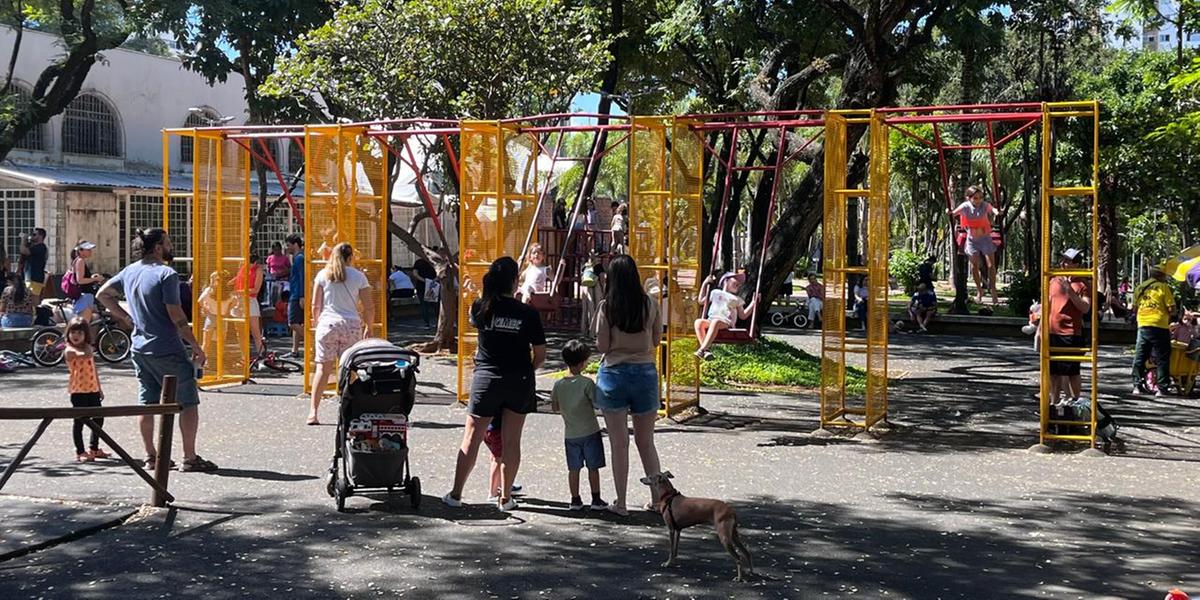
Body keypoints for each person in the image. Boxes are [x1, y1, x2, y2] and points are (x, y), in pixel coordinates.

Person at [97, 228, 216, 472]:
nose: (172, 247)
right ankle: (190, 458)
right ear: (159, 248)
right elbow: (176, 315)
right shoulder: (166, 274)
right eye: (169, 243)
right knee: (188, 402)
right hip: (167, 348)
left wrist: (127, 318)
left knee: (147, 402)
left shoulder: (130, 271)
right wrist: (195, 345)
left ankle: (151, 456)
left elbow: (103, 294)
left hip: (139, 348)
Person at [444, 256, 545, 511]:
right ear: (514, 281)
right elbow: (540, 355)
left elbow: (476, 315)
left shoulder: (480, 307)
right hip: (518, 378)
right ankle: (505, 497)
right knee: (512, 442)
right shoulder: (528, 313)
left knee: (471, 438)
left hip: (486, 377)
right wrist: (526, 371)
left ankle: (456, 494)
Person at [595, 254, 663, 516]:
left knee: (619, 443)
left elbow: (602, 346)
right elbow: (656, 340)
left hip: (613, 374)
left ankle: (621, 502)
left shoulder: (607, 307)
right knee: (646, 442)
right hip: (645, 374)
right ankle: (659, 500)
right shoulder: (650, 304)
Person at [308, 242, 374, 425]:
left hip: (327, 324)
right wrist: (369, 326)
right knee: (351, 369)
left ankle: (313, 412)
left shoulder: (322, 275)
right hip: (351, 325)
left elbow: (315, 305)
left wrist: (317, 321)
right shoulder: (359, 276)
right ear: (350, 257)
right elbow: (368, 306)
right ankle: (351, 411)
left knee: (322, 369)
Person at [552, 339, 608, 511]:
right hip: (590, 431)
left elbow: (555, 407)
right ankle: (596, 499)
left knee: (574, 469)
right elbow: (597, 403)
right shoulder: (586, 383)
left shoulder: (558, 384)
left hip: (570, 434)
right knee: (593, 467)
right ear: (583, 362)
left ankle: (575, 500)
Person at [1046, 249, 1091, 406]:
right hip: (1053, 331)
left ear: (1076, 264)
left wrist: (1070, 291)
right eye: (1062, 260)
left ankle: (1075, 401)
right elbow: (1047, 304)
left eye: (1067, 261)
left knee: (1071, 370)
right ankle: (1054, 402)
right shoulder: (1053, 280)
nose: (1062, 264)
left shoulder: (1083, 283)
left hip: (1071, 332)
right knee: (1054, 371)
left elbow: (1085, 308)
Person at [64, 317, 110, 463]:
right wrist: (89, 350)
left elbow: (94, 369)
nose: (75, 336)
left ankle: (94, 447)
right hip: (78, 392)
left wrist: (99, 388)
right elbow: (83, 355)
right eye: (72, 332)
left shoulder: (87, 348)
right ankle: (80, 451)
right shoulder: (69, 350)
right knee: (79, 422)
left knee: (98, 418)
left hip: (92, 389)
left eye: (79, 332)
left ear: (86, 334)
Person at [1131, 266, 1176, 397]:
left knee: (1140, 356)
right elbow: (1171, 309)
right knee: (1162, 357)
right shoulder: (1163, 287)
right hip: (1159, 325)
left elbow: (1134, 309)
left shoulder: (1140, 288)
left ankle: (1137, 386)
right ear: (1161, 276)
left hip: (1143, 325)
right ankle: (1161, 388)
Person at [951, 186, 999, 305]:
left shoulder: (984, 205)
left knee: (990, 265)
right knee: (974, 266)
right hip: (972, 240)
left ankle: (993, 290)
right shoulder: (965, 206)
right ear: (969, 198)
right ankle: (979, 290)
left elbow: (992, 209)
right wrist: (950, 212)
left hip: (985, 238)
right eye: (975, 198)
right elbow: (954, 212)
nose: (978, 200)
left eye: (980, 198)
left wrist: (997, 212)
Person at [694, 272, 758, 359]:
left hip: (726, 322)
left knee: (716, 322)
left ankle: (702, 350)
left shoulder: (737, 299)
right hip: (711, 320)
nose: (739, 284)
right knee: (698, 322)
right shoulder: (715, 292)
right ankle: (706, 350)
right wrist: (705, 283)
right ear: (726, 281)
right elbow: (701, 301)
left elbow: (743, 315)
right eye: (736, 280)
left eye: (740, 283)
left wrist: (753, 303)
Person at [232, 255, 266, 357]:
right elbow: (237, 279)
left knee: (255, 331)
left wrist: (239, 292)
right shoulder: (242, 267)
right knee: (240, 332)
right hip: (238, 301)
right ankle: (244, 356)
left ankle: (261, 355)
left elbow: (255, 289)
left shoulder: (258, 270)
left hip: (250, 301)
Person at [197, 272, 233, 360]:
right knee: (218, 343)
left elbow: (200, 301)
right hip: (220, 317)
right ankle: (216, 361)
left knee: (207, 343)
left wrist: (206, 309)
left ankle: (204, 362)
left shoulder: (209, 290)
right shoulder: (225, 291)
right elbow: (234, 302)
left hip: (213, 316)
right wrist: (227, 310)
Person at [69, 240, 105, 322]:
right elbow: (80, 280)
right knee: (84, 324)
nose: (90, 251)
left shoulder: (78, 261)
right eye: (88, 250)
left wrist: (92, 277)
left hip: (85, 296)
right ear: (80, 251)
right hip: (84, 296)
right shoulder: (80, 261)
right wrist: (95, 279)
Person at [285, 234, 305, 358]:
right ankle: (295, 350)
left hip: (297, 294)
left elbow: (303, 277)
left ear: (295, 245)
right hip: (295, 292)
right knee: (297, 323)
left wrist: (302, 295)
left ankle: (312, 343)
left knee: (292, 323)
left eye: (289, 245)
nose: (288, 248)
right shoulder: (298, 258)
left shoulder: (299, 258)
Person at [412, 250, 438, 327]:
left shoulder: (418, 262)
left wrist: (424, 280)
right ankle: (437, 322)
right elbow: (439, 273)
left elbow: (415, 274)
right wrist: (433, 280)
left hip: (421, 285)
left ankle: (426, 323)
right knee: (435, 304)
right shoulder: (434, 262)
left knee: (424, 305)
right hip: (433, 285)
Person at [20, 227, 48, 300]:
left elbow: (24, 250)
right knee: (27, 300)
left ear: (41, 236)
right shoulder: (33, 246)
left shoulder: (41, 247)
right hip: (29, 278)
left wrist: (23, 240)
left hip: (35, 279)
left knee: (33, 301)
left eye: (34, 234)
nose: (32, 236)